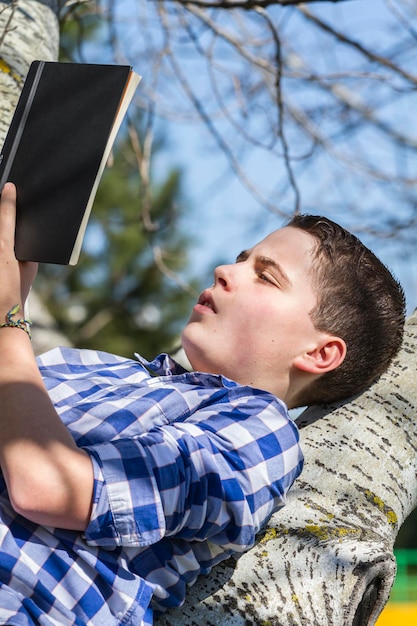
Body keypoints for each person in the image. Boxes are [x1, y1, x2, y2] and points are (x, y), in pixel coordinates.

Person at [0, 182, 405, 625]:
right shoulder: (93, 366)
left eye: (266, 276)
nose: (223, 271)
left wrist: (8, 317)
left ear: (318, 353)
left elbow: (46, 485)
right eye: (240, 259)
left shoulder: (260, 432)